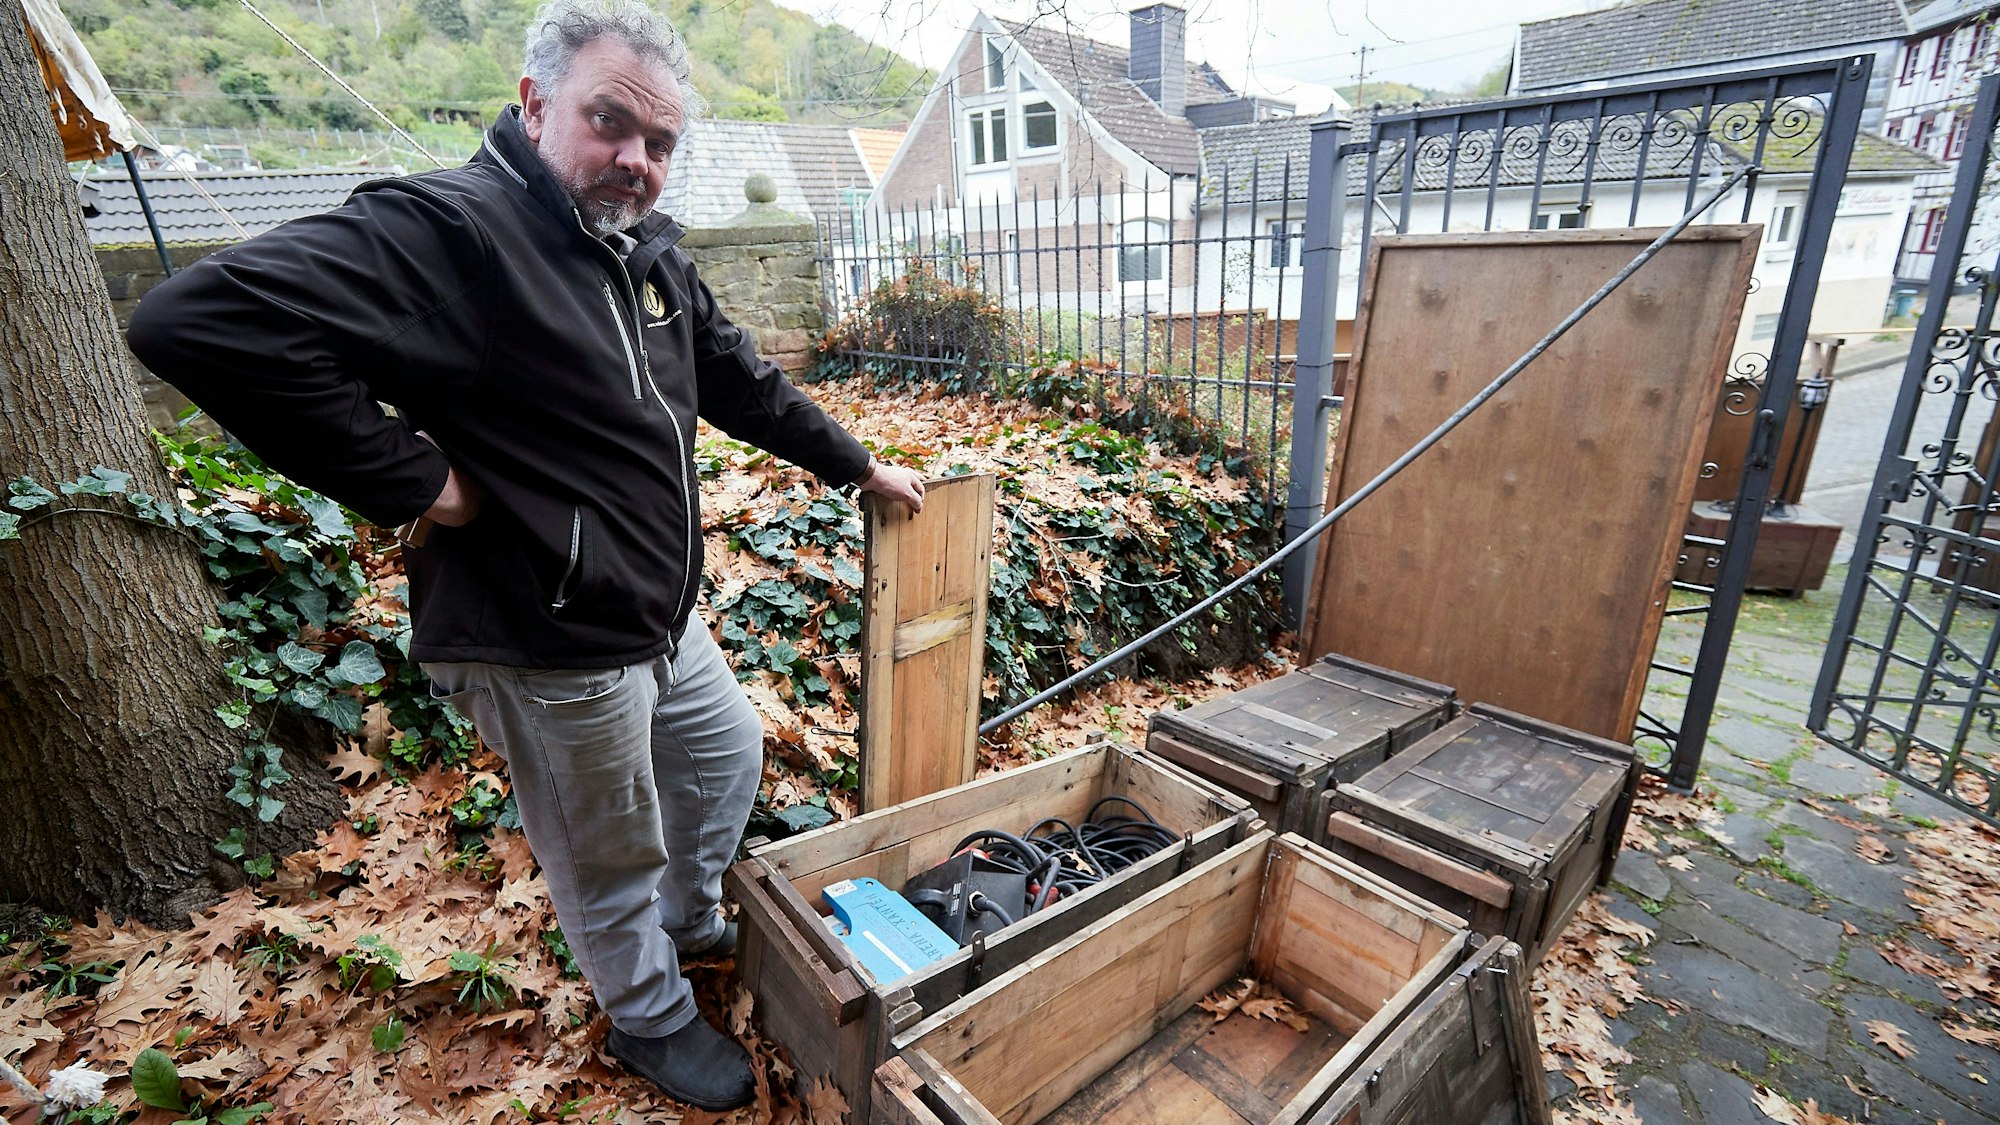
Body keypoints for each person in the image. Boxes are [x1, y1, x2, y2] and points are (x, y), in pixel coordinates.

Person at [125, 0, 924, 1109]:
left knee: (723, 756)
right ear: (535, 102)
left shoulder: (638, 250)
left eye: (660, 142)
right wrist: (421, 482)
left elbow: (738, 376)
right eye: (610, 123)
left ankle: (687, 920)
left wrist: (855, 465)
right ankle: (648, 1017)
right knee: (606, 847)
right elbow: (197, 322)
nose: (636, 159)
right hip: (545, 628)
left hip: (652, 610)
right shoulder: (455, 232)